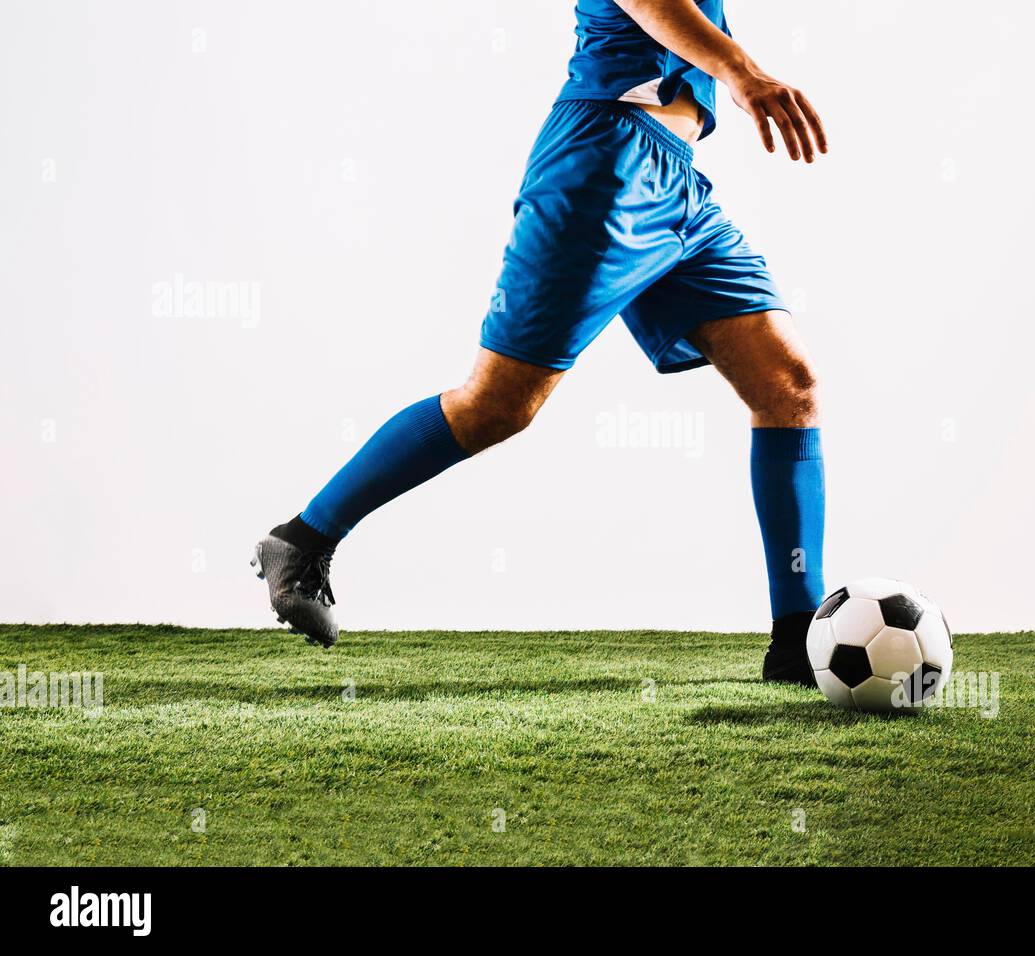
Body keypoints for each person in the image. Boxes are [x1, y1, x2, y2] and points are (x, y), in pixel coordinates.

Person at [253, 0, 829, 685]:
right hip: (603, 165)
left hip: (677, 183)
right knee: (497, 405)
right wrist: (744, 73)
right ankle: (303, 538)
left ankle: (798, 637)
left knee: (787, 385)